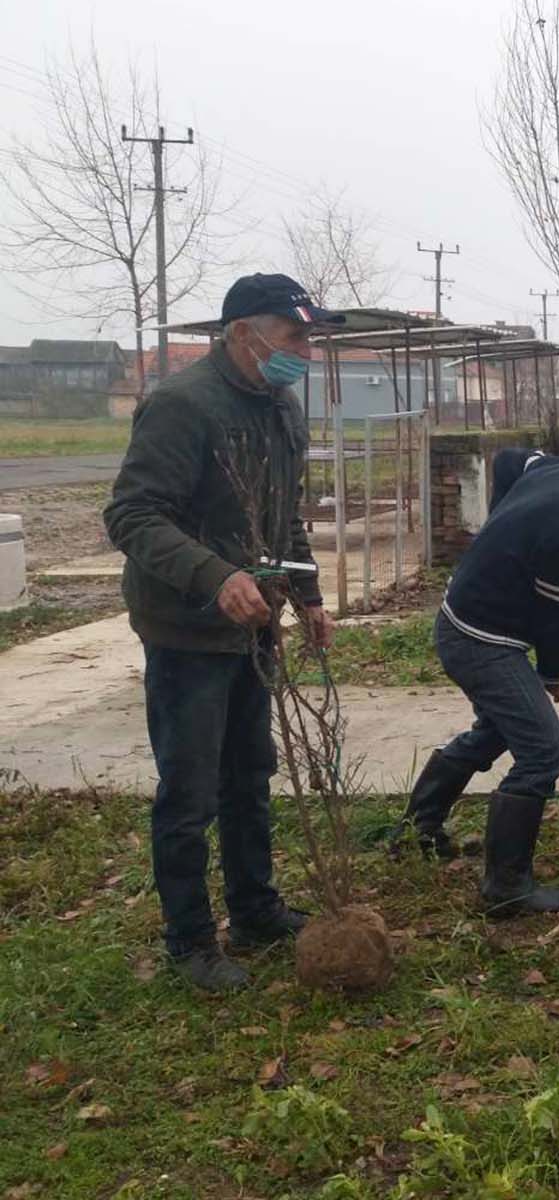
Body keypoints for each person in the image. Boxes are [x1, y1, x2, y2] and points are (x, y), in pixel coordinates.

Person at [104, 272, 344, 993]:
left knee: (250, 774)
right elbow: (133, 515)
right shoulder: (182, 406)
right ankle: (189, 941)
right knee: (191, 791)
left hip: (255, 625)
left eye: (309, 340)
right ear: (243, 333)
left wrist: (308, 596)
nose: (305, 352)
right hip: (187, 630)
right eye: (294, 336)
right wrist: (214, 576)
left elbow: (283, 514)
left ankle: (254, 910)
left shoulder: (280, 406)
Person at [396, 447, 559, 916]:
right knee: (542, 751)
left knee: (497, 731)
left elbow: (511, 460)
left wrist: (500, 527)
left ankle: (418, 829)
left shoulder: (557, 470)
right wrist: (554, 673)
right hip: (481, 641)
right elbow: (554, 622)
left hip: (464, 620)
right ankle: (506, 887)